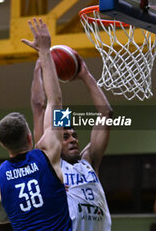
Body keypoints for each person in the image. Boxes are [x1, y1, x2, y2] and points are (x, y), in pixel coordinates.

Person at [0, 18, 72, 231]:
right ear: (30, 137)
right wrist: (44, 52)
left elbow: (1, 218)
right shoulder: (46, 154)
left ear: (3, 145)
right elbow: (56, 101)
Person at [31, 53, 113, 230]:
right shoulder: (51, 165)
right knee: (55, 106)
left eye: (74, 136)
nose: (73, 140)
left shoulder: (89, 161)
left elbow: (106, 114)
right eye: (66, 137)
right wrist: (40, 69)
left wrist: (85, 75)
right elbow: (39, 106)